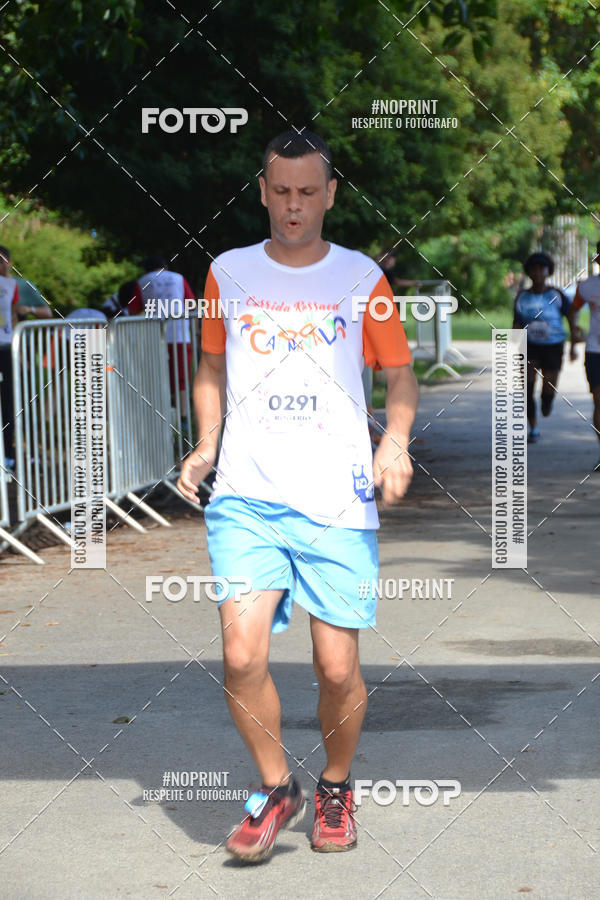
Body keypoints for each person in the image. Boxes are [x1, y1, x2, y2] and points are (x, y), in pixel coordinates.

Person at [177, 131, 418, 862]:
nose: (293, 205)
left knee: (336, 668)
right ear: (261, 190)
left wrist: (395, 439)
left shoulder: (361, 277)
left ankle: (335, 786)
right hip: (246, 495)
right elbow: (210, 368)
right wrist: (206, 444)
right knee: (240, 654)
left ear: (330, 194)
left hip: (337, 500)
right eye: (281, 191)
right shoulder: (228, 272)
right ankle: (276, 787)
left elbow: (400, 375)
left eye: (308, 192)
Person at [513, 251, 575, 443]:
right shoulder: (522, 297)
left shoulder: (557, 294)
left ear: (548, 272)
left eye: (542, 269)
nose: (538, 273)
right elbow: (516, 322)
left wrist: (574, 342)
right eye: (534, 269)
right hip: (530, 345)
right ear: (529, 273)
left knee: (548, 387)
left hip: (553, 346)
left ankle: (547, 402)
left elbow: (571, 316)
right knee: (527, 387)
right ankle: (533, 428)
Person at [130, 254, 195, 420]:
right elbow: (191, 304)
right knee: (181, 378)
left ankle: (159, 416)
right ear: (165, 265)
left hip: (154, 335)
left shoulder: (142, 281)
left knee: (156, 376)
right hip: (179, 333)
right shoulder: (178, 278)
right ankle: (183, 416)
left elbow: (133, 310)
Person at [568, 240, 600, 471]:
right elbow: (573, 310)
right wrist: (575, 330)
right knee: (599, 402)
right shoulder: (587, 286)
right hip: (595, 351)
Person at [0, 245, 29, 467]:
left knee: (8, 402)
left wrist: (20, 354)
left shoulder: (12, 285)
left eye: (2, 261)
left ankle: (8, 454)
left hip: (7, 348)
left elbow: (14, 316)